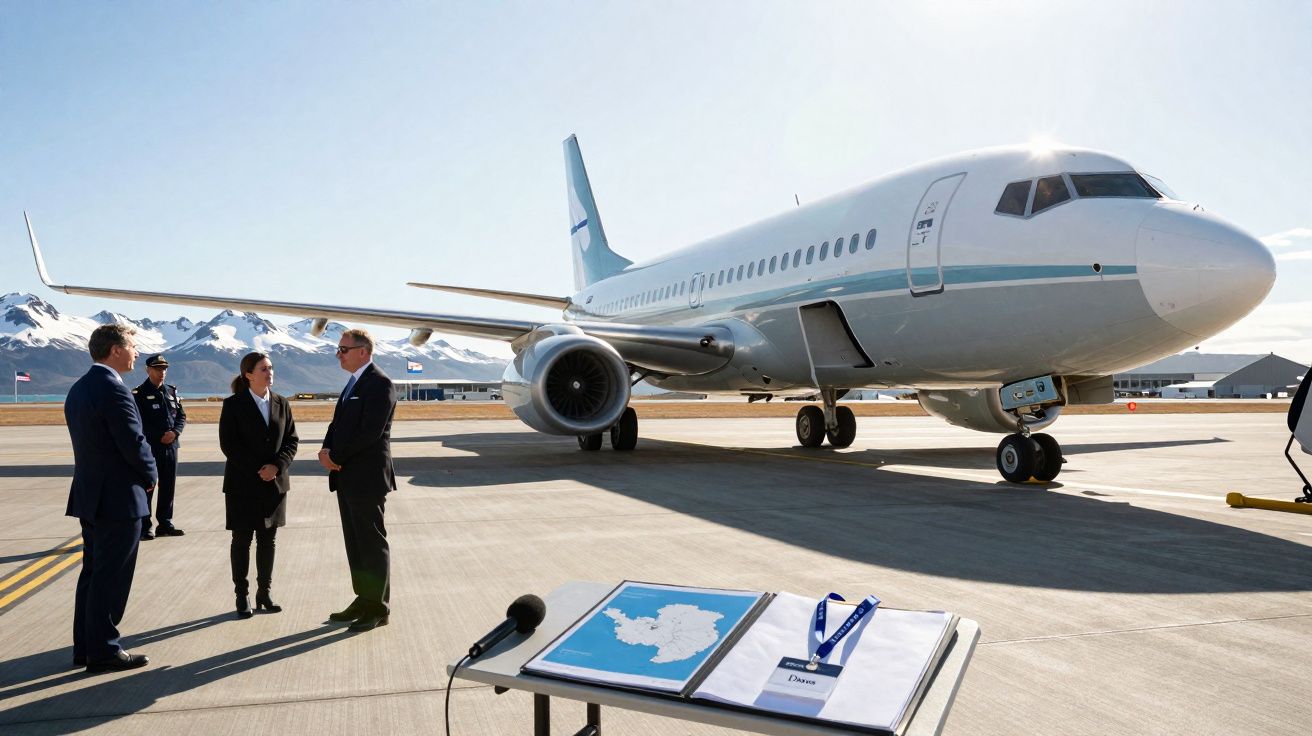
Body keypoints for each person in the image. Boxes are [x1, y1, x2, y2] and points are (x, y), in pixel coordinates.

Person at [64, 323, 156, 672]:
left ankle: (86, 646)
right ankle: (103, 650)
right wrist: (151, 476)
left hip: (91, 496)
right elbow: (133, 442)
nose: (136, 352)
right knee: (111, 576)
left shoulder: (79, 388)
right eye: (132, 346)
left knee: (92, 573)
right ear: (115, 350)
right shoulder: (114, 390)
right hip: (118, 498)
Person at [319, 328, 397, 632]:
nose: (339, 354)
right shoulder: (354, 383)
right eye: (339, 349)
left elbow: (370, 433)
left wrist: (335, 456)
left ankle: (378, 607)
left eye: (343, 349)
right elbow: (337, 423)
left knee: (371, 541)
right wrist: (327, 449)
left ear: (363, 351)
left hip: (366, 476)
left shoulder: (380, 383)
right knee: (355, 542)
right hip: (347, 475)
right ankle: (363, 598)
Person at [219, 352, 299, 619]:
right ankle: (241, 595)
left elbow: (291, 440)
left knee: (268, 540)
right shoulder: (233, 405)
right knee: (241, 540)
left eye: (271, 368)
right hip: (242, 485)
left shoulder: (282, 403)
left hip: (274, 485)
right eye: (263, 369)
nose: (269, 373)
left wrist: (276, 466)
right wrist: (259, 469)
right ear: (248, 375)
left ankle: (264, 593)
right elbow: (229, 445)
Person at [132, 354, 187, 539]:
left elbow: (181, 416)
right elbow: (139, 422)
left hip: (171, 446)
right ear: (148, 370)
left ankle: (164, 523)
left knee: (168, 486)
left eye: (164, 369)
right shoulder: (138, 394)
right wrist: (159, 436)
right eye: (158, 369)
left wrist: (175, 433)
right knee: (148, 486)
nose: (162, 372)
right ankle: (145, 525)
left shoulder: (171, 391)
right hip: (150, 447)